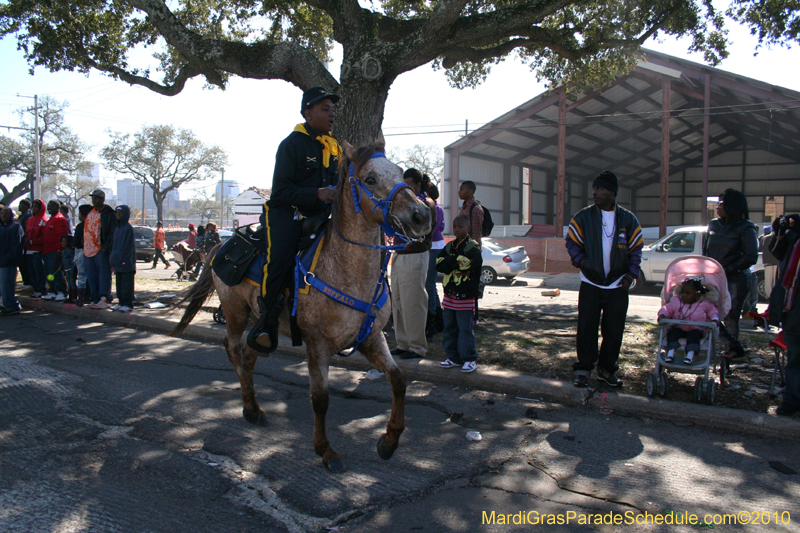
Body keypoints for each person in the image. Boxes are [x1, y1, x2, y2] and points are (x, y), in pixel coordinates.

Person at [250, 86, 341, 353]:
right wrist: (317, 193)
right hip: (286, 212)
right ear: (308, 113)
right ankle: (266, 325)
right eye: (325, 109)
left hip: (320, 215)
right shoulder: (291, 144)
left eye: (333, 109)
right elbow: (280, 191)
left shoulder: (334, 146)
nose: (331, 114)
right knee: (279, 260)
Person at [565, 171, 643, 388]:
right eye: (594, 189)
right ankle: (583, 369)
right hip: (591, 283)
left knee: (614, 330)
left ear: (612, 192)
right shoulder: (583, 217)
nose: (595, 193)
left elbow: (636, 249)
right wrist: (582, 263)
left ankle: (606, 370)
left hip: (618, 285)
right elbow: (572, 242)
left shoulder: (628, 219)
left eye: (600, 189)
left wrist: (630, 275)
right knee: (586, 327)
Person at [703, 188, 758, 361]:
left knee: (731, 315)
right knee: (707, 311)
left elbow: (751, 256)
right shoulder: (714, 224)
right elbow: (706, 249)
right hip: (713, 276)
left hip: (736, 278)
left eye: (722, 203)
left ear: (732, 206)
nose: (718, 206)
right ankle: (730, 347)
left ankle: (732, 349)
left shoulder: (746, 227)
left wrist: (728, 269)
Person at [390, 168, 436, 360]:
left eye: (409, 185)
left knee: (413, 303)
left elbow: (418, 227)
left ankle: (417, 347)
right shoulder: (405, 202)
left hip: (415, 255)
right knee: (399, 302)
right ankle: (403, 343)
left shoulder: (425, 203)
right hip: (400, 254)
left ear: (418, 185)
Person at [436, 214, 483, 372]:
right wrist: (454, 261)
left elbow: (467, 264)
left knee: (464, 328)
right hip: (450, 295)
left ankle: (469, 359)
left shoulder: (473, 247)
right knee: (449, 326)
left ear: (468, 228)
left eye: (460, 226)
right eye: (454, 226)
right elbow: (438, 263)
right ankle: (453, 357)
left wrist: (451, 261)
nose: (456, 229)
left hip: (465, 295)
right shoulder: (450, 246)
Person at [768, 214, 800, 416]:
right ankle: (791, 400)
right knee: (795, 356)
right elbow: (777, 252)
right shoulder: (794, 240)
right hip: (793, 309)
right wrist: (779, 233)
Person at [657, 278, 719, 365]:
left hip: (696, 329)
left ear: (697, 295)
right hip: (680, 328)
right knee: (672, 334)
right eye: (682, 292)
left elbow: (713, 312)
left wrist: (714, 320)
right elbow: (667, 308)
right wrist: (662, 315)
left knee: (694, 336)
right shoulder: (676, 301)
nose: (683, 295)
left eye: (688, 293)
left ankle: (690, 356)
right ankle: (670, 354)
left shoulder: (704, 304)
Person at [83, 189, 117, 309]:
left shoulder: (108, 213)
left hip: (100, 250)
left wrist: (105, 247)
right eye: (93, 198)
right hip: (88, 250)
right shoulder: (90, 212)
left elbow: (112, 231)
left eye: (96, 198)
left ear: (102, 199)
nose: (94, 200)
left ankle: (105, 299)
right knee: (91, 276)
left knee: (103, 275)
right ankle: (95, 299)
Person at [458, 180, 484, 325]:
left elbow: (476, 235)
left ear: (470, 192)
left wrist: (471, 255)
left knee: (472, 285)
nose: (459, 192)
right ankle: (464, 315)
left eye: (462, 189)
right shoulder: (464, 207)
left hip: (471, 254)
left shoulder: (476, 209)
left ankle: (475, 317)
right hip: (462, 252)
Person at [425, 183, 445, 338]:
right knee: (430, 284)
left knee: (429, 284)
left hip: (434, 247)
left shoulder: (436, 208)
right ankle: (439, 317)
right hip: (432, 246)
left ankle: (432, 319)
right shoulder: (437, 207)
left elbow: (432, 229)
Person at [42, 200, 70, 301]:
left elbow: (62, 235)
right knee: (49, 272)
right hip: (47, 250)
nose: (49, 208)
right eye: (48, 206)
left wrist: (59, 250)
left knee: (56, 272)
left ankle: (61, 291)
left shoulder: (60, 219)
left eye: (52, 206)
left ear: (58, 207)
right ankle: (52, 291)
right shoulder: (51, 219)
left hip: (55, 251)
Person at [110, 205, 136, 313]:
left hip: (126, 262)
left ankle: (127, 304)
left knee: (127, 284)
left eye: (120, 213)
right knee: (119, 283)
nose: (118, 215)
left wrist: (123, 258)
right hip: (117, 262)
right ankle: (120, 302)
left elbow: (129, 246)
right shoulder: (117, 228)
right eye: (117, 213)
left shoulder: (128, 228)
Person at [0, 207, 25, 316]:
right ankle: (8, 305)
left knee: (7, 285)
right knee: (3, 286)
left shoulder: (16, 227)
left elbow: (17, 246)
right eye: (2, 214)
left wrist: (8, 258)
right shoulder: (2, 227)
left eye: (6, 214)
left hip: (9, 262)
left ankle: (12, 306)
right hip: (1, 262)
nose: (3, 216)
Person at [24, 199, 48, 299]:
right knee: (31, 272)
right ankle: (36, 290)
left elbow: (44, 237)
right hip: (29, 250)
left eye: (36, 206)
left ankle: (41, 290)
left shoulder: (44, 221)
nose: (34, 208)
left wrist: (32, 242)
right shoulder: (29, 220)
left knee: (39, 272)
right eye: (33, 206)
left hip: (38, 251)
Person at [72, 204, 93, 306]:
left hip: (81, 251)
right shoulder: (93, 225)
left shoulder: (81, 226)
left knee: (81, 276)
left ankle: (81, 298)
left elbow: (75, 242)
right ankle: (89, 297)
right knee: (90, 275)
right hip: (91, 252)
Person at [16, 199, 33, 289]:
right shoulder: (22, 215)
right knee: (22, 264)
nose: (19, 206)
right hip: (21, 243)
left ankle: (29, 282)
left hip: (26, 243)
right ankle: (26, 281)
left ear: (26, 206)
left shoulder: (28, 215)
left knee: (26, 264)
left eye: (21, 204)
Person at [759, 226, 779, 299]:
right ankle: (775, 296)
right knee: (775, 280)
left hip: (767, 262)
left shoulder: (764, 238)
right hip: (776, 262)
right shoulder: (778, 238)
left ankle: (769, 296)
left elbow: (760, 249)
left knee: (768, 281)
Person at [60, 234, 76, 303]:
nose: (63, 243)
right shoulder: (63, 251)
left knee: (72, 283)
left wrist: (72, 272)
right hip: (66, 269)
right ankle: (70, 297)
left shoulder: (70, 251)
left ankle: (74, 297)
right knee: (69, 284)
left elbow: (72, 261)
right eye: (62, 241)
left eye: (65, 241)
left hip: (70, 269)